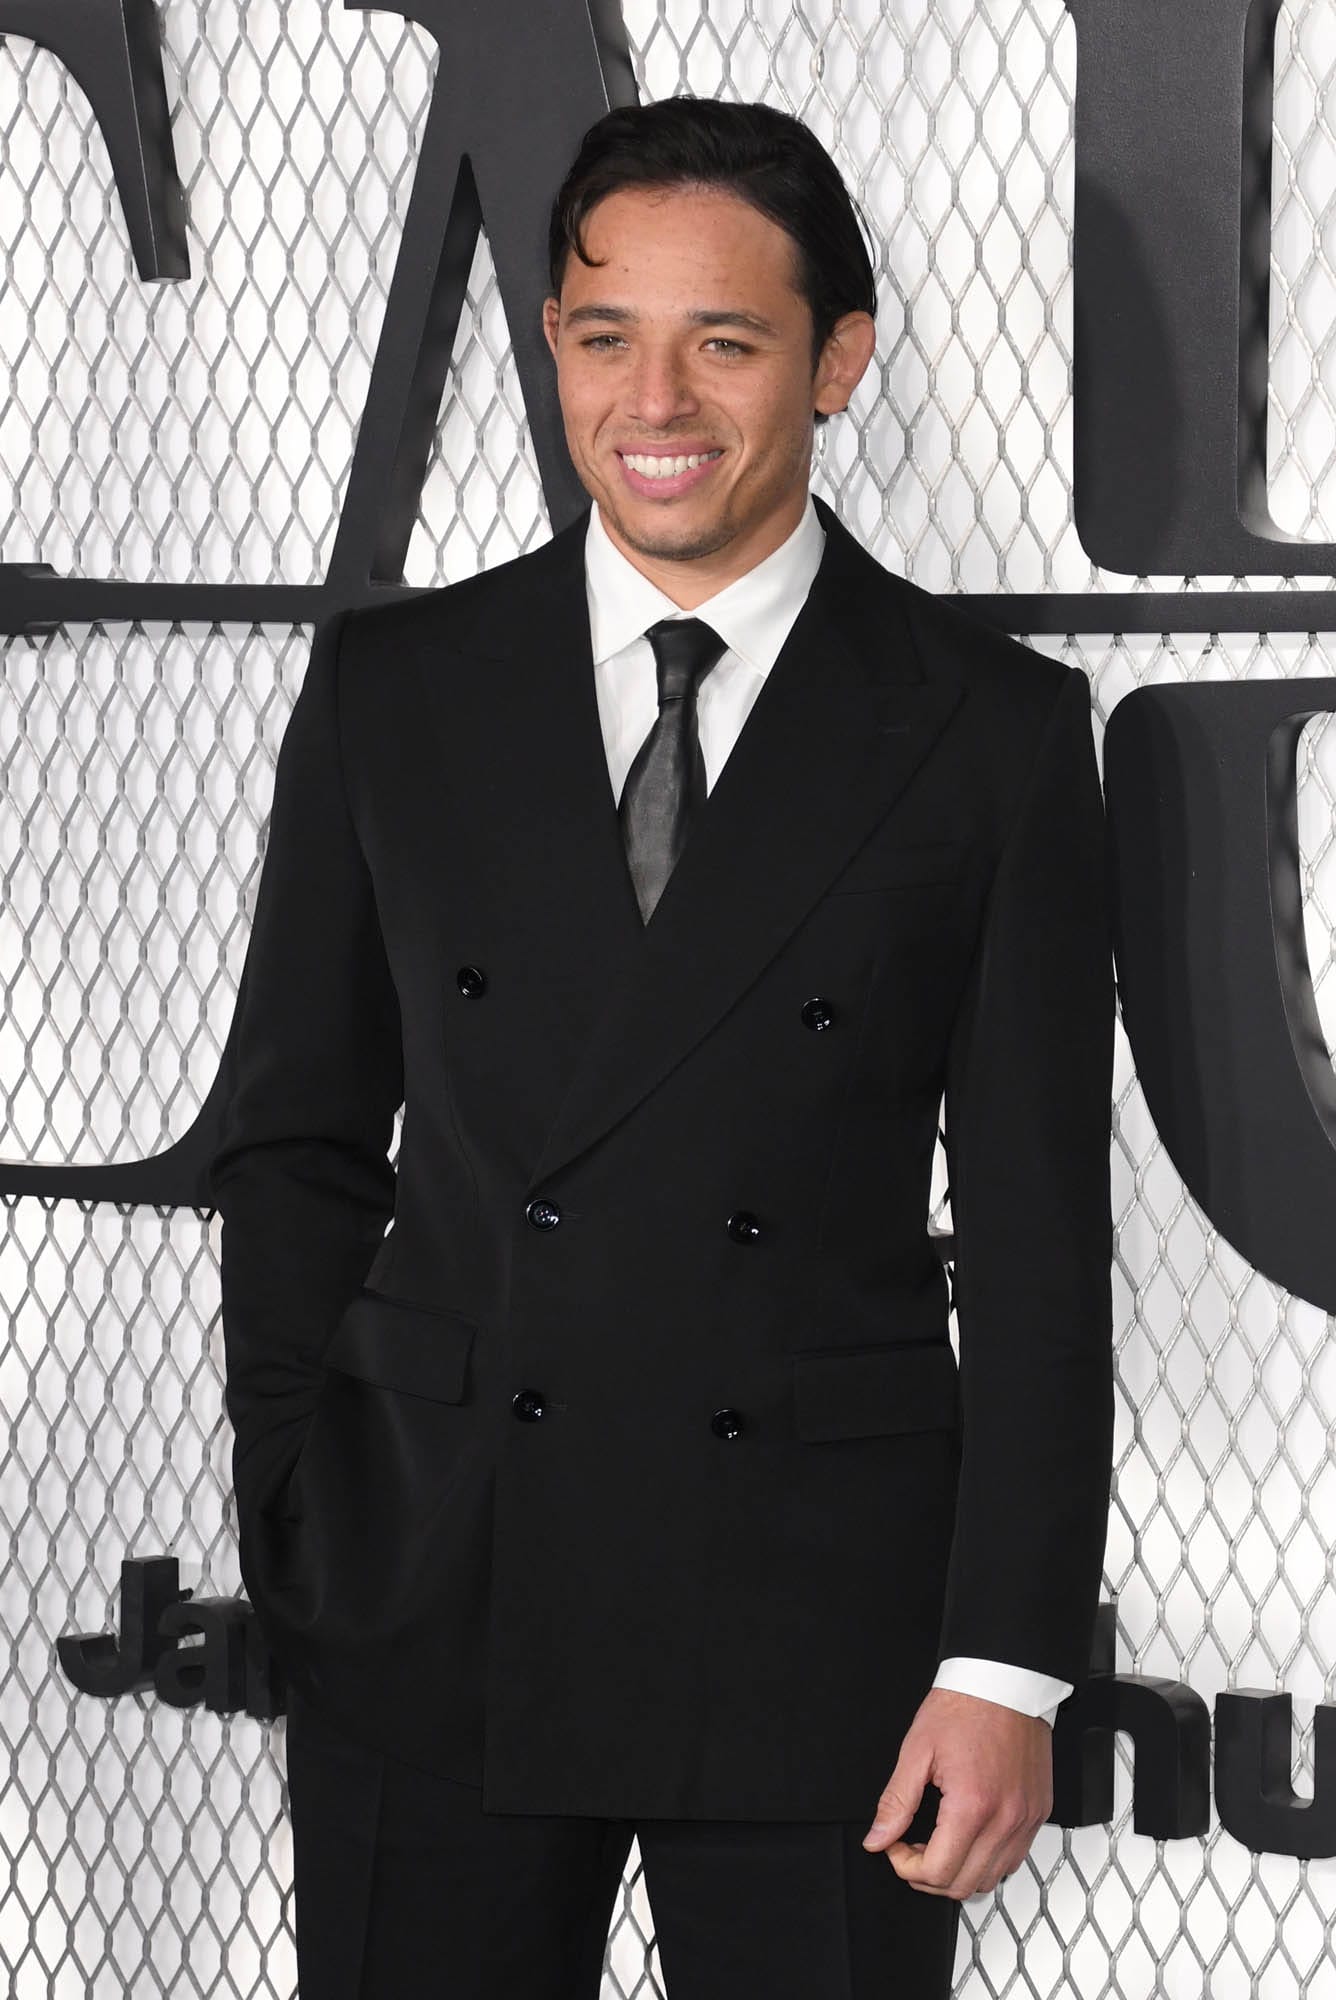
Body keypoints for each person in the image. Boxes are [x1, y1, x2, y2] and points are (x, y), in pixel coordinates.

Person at [209, 95, 1114, 2000]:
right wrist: (300, 1497)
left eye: (726, 340)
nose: (656, 401)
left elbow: (1042, 1236)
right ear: (550, 344)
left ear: (837, 361)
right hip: (436, 1578)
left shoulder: (993, 730)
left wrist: (1005, 1661)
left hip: (824, 1620)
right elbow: (295, 1135)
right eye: (606, 334)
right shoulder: (397, 685)